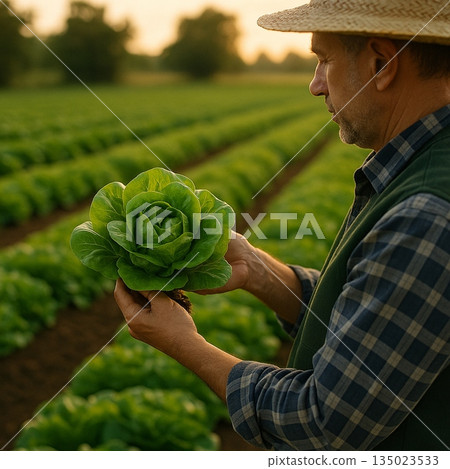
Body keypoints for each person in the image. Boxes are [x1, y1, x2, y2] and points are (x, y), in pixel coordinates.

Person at [114, 0, 450, 451]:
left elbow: (325, 425)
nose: (315, 85)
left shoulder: (426, 213)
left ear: (381, 63)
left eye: (323, 59)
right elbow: (370, 321)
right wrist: (255, 269)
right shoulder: (414, 167)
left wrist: (185, 345)